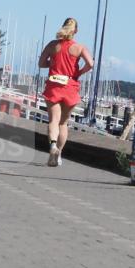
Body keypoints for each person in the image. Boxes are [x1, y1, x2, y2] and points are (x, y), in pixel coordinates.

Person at [38, 18, 94, 167]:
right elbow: (91, 63)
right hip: (70, 85)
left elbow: (41, 63)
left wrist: (54, 63)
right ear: (75, 31)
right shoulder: (79, 48)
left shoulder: (52, 45)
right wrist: (79, 72)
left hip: (54, 84)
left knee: (53, 121)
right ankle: (59, 154)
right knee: (63, 123)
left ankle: (53, 146)